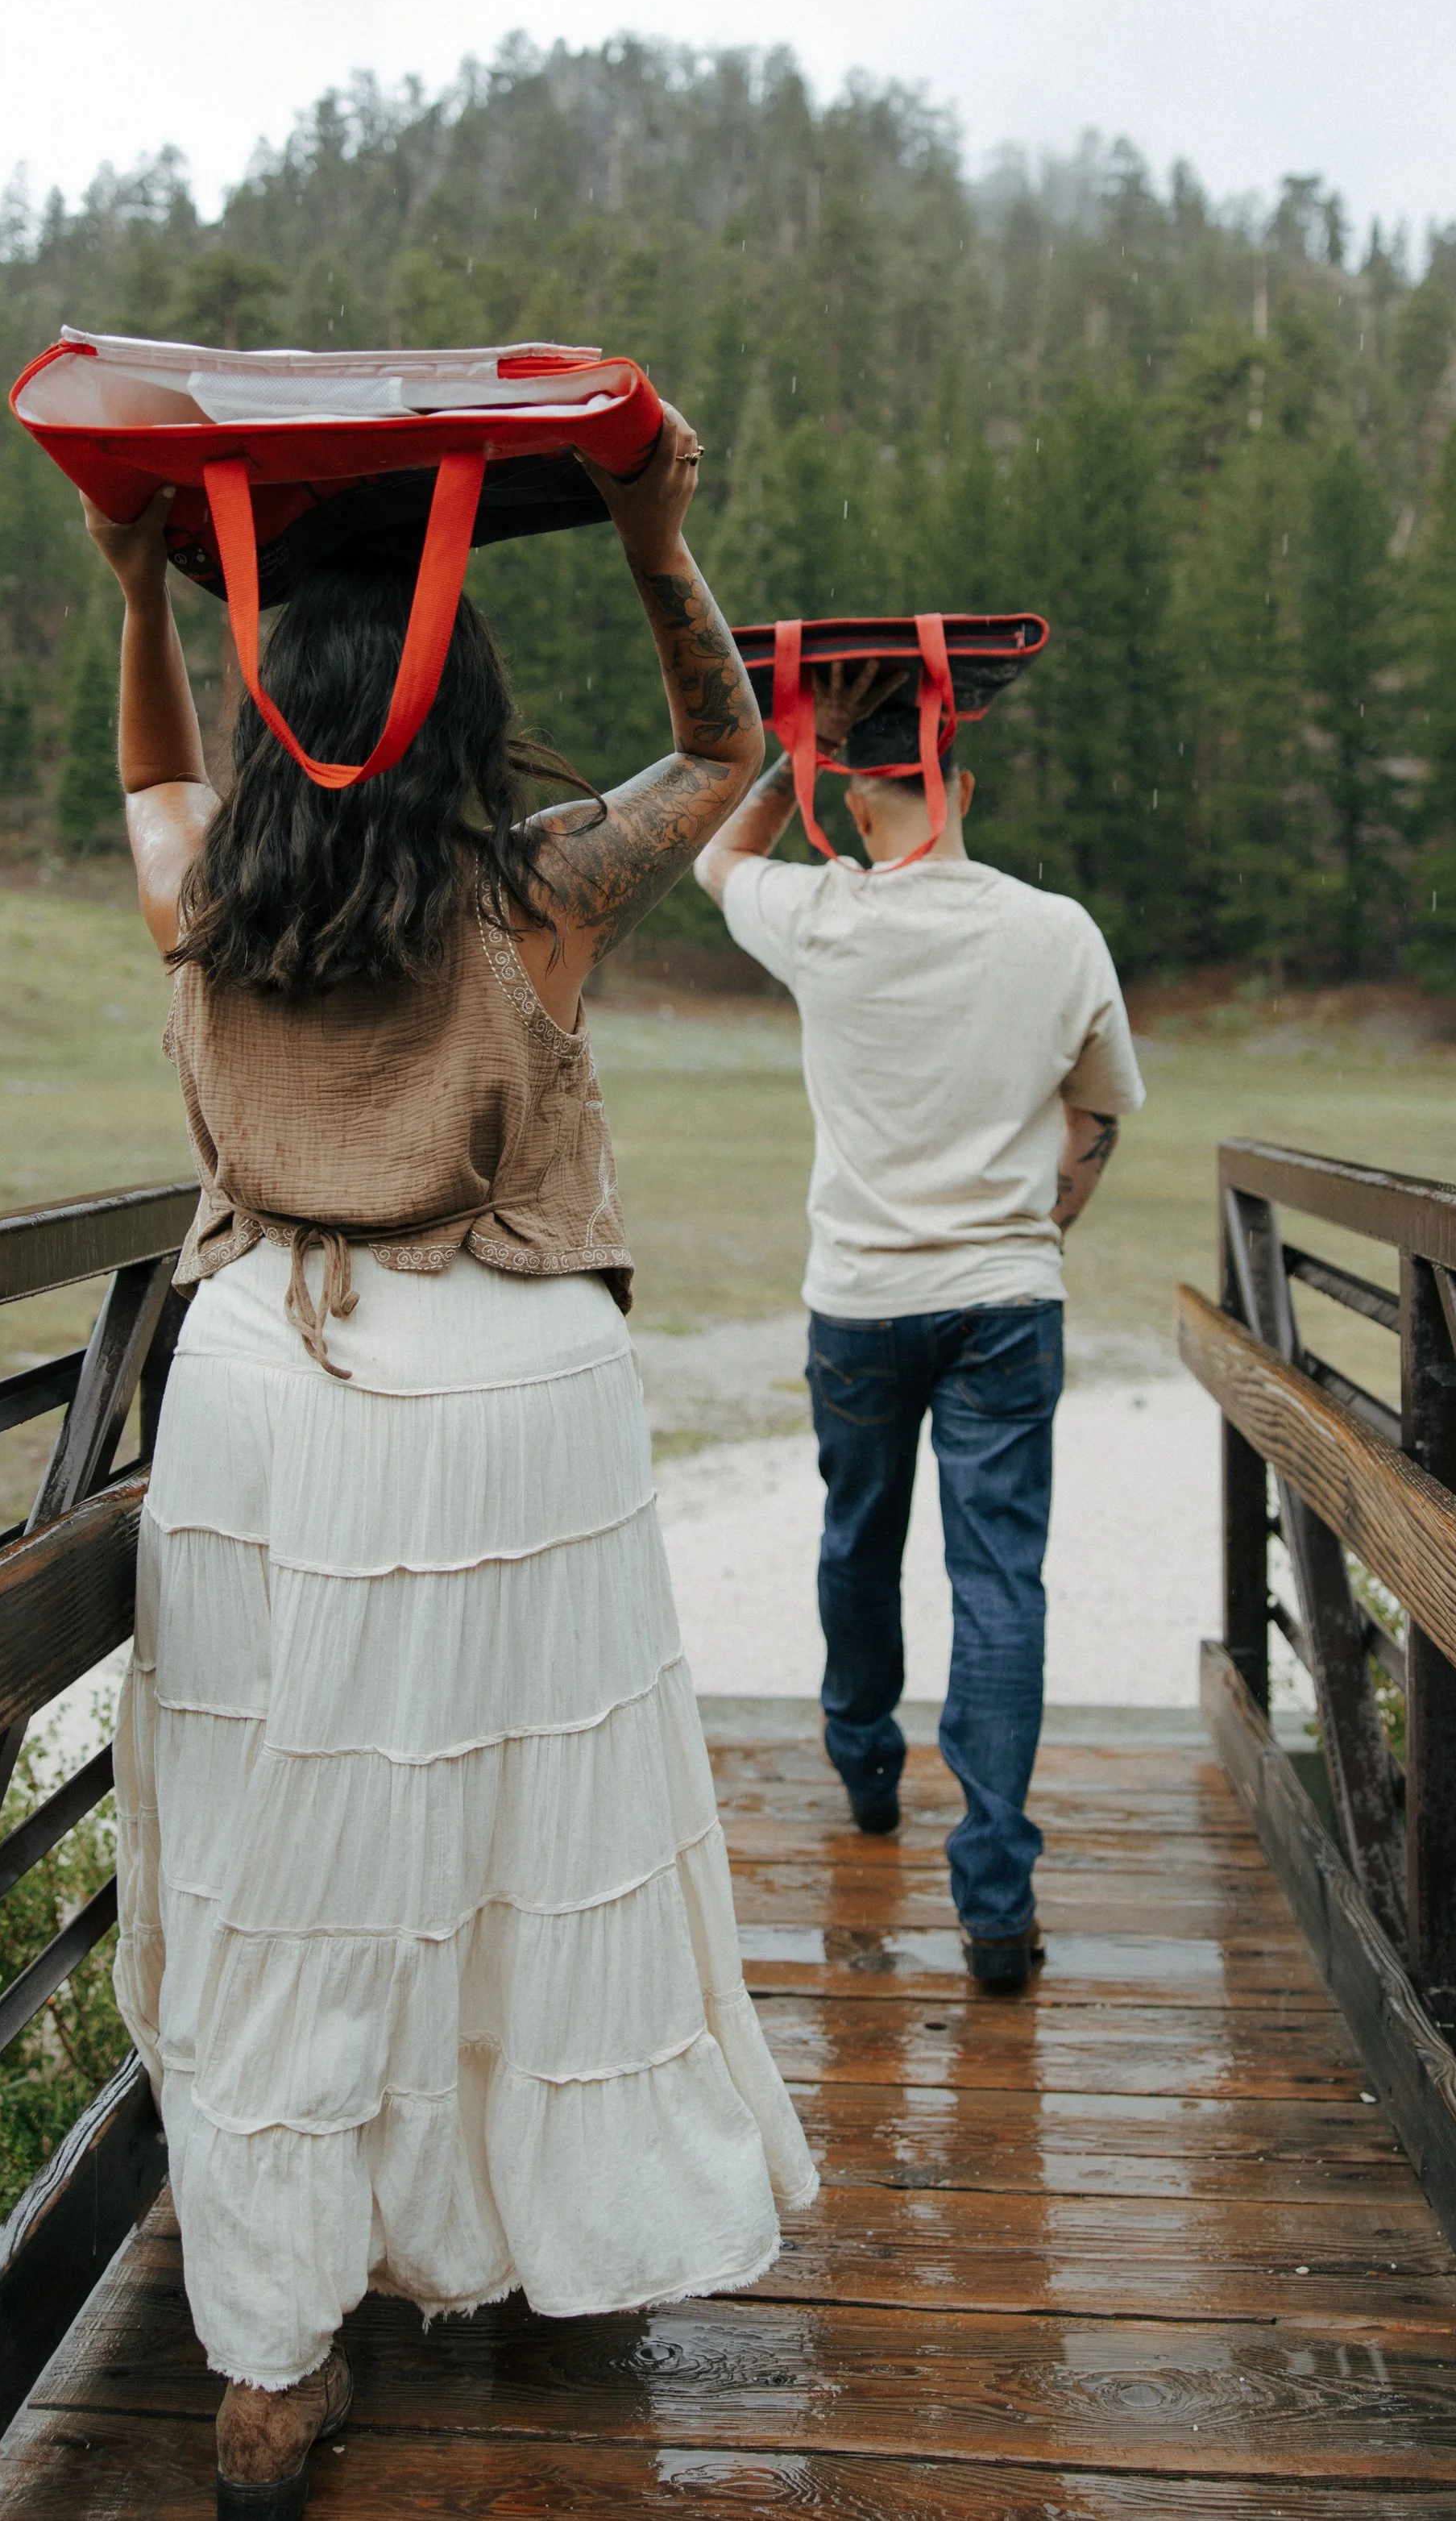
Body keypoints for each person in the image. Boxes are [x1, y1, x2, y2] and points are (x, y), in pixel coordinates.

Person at [85, 415, 816, 2520]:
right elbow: (720, 748)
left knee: (274, 1866)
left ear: (268, 717)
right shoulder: (534, 886)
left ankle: (271, 2360)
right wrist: (659, 537)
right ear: (464, 713)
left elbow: (150, 782)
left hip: (261, 1390)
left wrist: (141, 588)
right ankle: (535, 2228)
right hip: (510, 1395)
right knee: (534, 1823)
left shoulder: (205, 887)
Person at [696, 667, 1144, 1995]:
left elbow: (722, 853)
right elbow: (1098, 1114)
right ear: (966, 780)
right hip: (1007, 1299)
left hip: (861, 1300)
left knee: (859, 1540)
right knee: (1000, 1584)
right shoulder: (1059, 930)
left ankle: (866, 1768)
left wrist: (797, 746)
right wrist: (1038, 1225)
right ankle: (996, 1902)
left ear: (858, 786)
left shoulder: (820, 916)